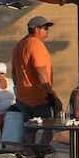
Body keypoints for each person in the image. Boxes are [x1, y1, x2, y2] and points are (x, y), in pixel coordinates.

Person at [11, 15, 60, 147]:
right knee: (50, 128)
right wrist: (50, 94)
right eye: (45, 28)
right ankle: (39, 153)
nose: (47, 31)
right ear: (36, 29)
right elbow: (41, 71)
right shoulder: (36, 44)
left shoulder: (20, 45)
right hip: (39, 98)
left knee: (29, 130)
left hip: (23, 97)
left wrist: (19, 91)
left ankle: (27, 157)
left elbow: (14, 73)